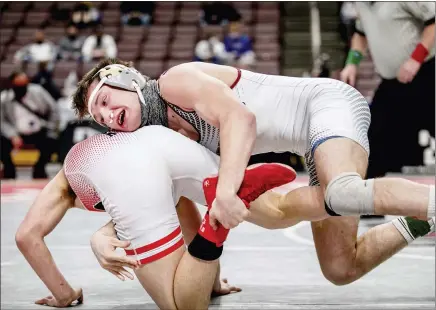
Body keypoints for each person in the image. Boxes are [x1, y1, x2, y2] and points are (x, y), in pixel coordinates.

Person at [71, 58, 435, 274]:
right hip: (312, 143)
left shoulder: (173, 82)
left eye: (104, 100)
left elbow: (240, 119)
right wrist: (101, 237)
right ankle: (423, 217)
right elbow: (160, 200)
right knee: (340, 267)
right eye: (98, 117)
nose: (106, 116)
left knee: (343, 191)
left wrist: (226, 191)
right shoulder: (157, 138)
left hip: (325, 104)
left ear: (126, 79)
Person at [16, 125, 296, 309]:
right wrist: (211, 282)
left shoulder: (67, 184)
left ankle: (218, 219)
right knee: (278, 213)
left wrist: (65, 293)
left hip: (111, 168)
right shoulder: (96, 171)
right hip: (156, 148)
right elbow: (184, 211)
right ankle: (327, 200)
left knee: (180, 306)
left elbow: (26, 236)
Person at [340, 2, 435, 178]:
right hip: (393, 83)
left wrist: (415, 59)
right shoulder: (361, 4)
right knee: (372, 143)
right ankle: (363, 199)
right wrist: (352, 63)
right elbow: (361, 34)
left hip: (427, 74)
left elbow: (433, 23)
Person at [1, 71, 59, 179]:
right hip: (16, 134)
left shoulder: (38, 92)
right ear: (12, 86)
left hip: (39, 131)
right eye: (18, 87)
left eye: (24, 86)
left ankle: (39, 169)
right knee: (2, 142)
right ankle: (9, 171)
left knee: (52, 139)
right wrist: (12, 135)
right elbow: (2, 121)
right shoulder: (4, 99)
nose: (22, 90)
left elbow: (53, 110)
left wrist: (51, 128)